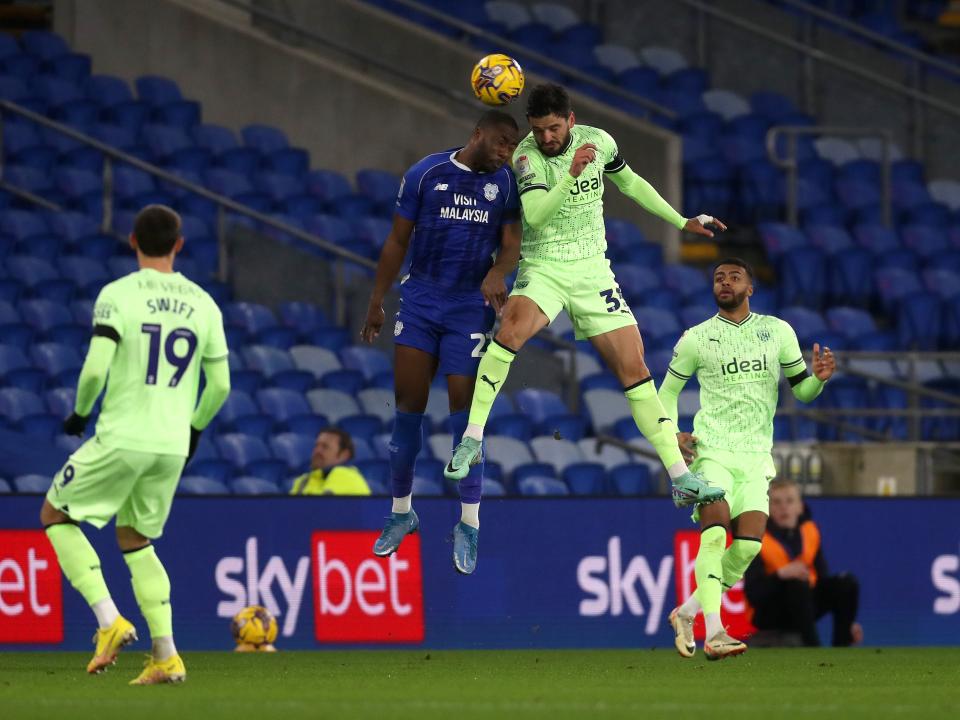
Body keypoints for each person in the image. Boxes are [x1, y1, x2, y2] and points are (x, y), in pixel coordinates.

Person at [445, 83, 726, 507]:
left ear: (571, 121)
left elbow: (631, 184)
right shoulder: (526, 157)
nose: (546, 138)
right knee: (511, 332)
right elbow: (536, 216)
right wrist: (571, 174)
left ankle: (681, 477)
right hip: (546, 267)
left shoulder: (600, 141)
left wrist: (680, 220)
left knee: (635, 367)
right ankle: (472, 439)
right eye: (539, 130)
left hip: (593, 270)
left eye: (553, 129)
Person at [40, 205, 230, 685]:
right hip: (170, 443)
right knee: (136, 538)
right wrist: (193, 432)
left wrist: (81, 413)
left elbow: (96, 369)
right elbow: (221, 386)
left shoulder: (118, 295)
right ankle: (166, 656)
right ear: (179, 244)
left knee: (54, 514)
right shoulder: (204, 302)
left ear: (132, 241)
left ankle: (108, 620)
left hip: (125, 434)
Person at [360, 110, 522, 574]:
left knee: (464, 423)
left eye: (513, 146)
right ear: (478, 133)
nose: (506, 151)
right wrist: (376, 300)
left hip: (468, 308)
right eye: (502, 141)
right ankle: (401, 512)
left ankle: (468, 523)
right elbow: (395, 241)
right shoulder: (426, 173)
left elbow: (512, 243)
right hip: (420, 301)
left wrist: (496, 270)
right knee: (406, 415)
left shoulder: (506, 184)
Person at [659, 257, 835, 660]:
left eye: (734, 276)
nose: (725, 282)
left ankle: (687, 613)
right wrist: (673, 434)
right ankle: (715, 630)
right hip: (713, 452)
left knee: (748, 547)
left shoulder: (777, 333)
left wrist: (818, 381)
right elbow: (665, 395)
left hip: (757, 457)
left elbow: (801, 392)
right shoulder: (696, 339)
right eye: (718, 277)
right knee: (716, 535)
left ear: (750, 287)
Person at [744, 478, 863, 647]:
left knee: (846, 583)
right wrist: (780, 575)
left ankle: (842, 646)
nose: (783, 507)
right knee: (796, 584)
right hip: (768, 611)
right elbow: (754, 594)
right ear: (768, 508)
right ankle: (814, 649)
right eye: (776, 502)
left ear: (800, 506)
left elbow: (822, 579)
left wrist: (847, 620)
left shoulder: (810, 531)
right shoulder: (757, 539)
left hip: (804, 604)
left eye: (790, 501)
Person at [288, 427, 370, 495]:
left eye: (325, 447)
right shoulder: (303, 480)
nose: (317, 451)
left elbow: (322, 509)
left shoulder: (346, 474)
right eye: (316, 446)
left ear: (344, 455)